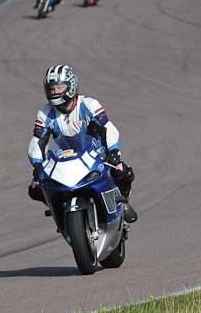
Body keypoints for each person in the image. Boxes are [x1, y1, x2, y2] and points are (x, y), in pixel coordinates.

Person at [26, 65, 137, 223]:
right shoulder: (44, 113)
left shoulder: (89, 105)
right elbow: (37, 141)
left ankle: (123, 202)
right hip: (64, 161)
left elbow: (108, 128)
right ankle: (59, 210)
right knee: (34, 188)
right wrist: (37, 165)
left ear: (71, 86)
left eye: (59, 87)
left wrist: (113, 152)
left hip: (95, 155)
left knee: (123, 172)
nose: (54, 92)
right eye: (51, 89)